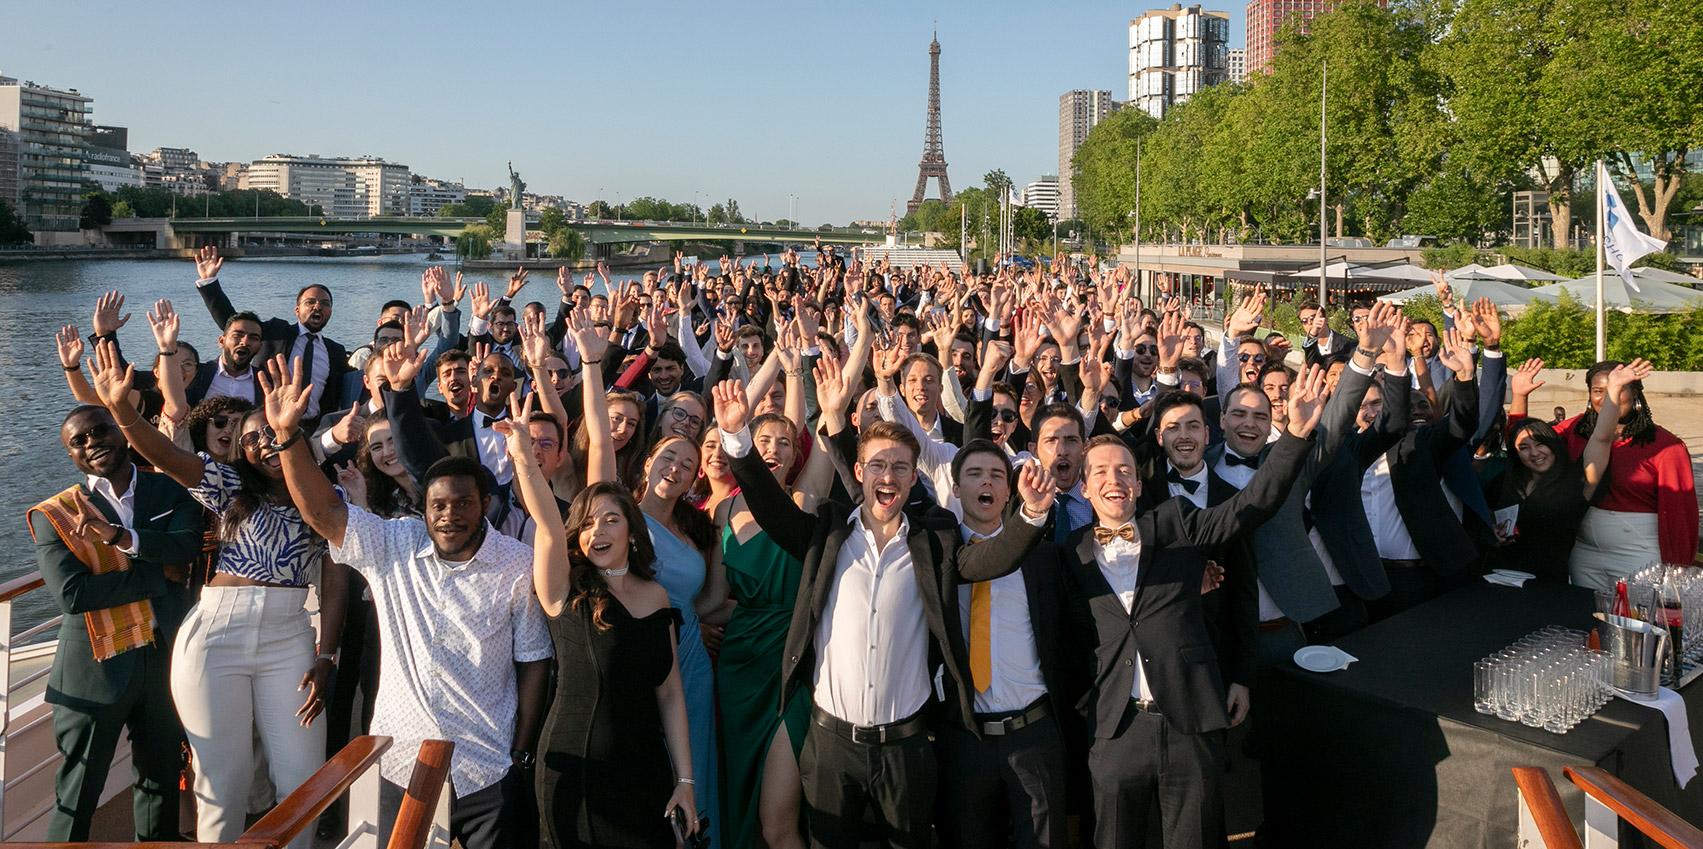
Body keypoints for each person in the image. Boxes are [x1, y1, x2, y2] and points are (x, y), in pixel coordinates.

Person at [714, 379, 1053, 849]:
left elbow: (989, 561)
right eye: (878, 465)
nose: (888, 476)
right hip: (830, 743)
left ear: (915, 477)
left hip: (907, 748)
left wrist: (1031, 514)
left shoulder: (935, 542)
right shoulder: (826, 534)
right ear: (859, 470)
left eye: (900, 467)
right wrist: (736, 440)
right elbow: (771, 510)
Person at [261, 356, 552, 849]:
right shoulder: (394, 544)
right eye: (438, 505)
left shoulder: (517, 565)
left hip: (488, 766)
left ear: (484, 505)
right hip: (400, 759)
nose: (449, 515)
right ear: (424, 508)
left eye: (463, 503)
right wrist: (289, 438)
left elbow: (534, 663)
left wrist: (520, 756)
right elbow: (325, 513)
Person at [86, 342, 344, 849]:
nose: (266, 444)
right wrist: (121, 411)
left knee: (303, 785)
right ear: (238, 452)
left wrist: (327, 652)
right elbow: (165, 455)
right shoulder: (228, 487)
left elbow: (334, 581)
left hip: (290, 637)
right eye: (253, 438)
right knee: (220, 790)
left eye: (275, 433)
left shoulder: (322, 499)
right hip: (215, 636)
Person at [1063, 367, 1330, 849]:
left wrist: (1294, 435)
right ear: (1084, 489)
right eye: (1099, 472)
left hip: (1190, 721)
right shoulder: (1071, 554)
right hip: (1116, 731)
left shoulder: (1174, 522)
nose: (1114, 479)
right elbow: (1060, 636)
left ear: (1140, 484)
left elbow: (1250, 506)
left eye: (1124, 469)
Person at [510, 445, 698, 848]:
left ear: (631, 532)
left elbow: (670, 693)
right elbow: (546, 524)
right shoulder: (566, 590)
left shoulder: (657, 597)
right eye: (589, 523)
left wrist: (685, 781)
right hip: (576, 772)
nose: (599, 532)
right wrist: (524, 458)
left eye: (611, 520)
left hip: (645, 773)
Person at [30, 405, 203, 842]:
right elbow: (74, 594)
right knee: (78, 795)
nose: (93, 443)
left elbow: (185, 549)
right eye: (79, 441)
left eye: (100, 431)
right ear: (70, 456)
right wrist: (156, 575)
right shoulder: (60, 515)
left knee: (161, 779)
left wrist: (124, 543)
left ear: (122, 432)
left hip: (165, 660)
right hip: (94, 672)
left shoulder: (169, 491)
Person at [1509, 357, 1697, 586]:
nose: (1608, 398)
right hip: (1584, 554)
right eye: (1598, 390)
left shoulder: (1666, 447)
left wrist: (1677, 573)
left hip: (1639, 555)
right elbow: (1523, 444)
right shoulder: (1575, 429)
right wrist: (1519, 395)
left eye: (1616, 389)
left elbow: (1680, 517)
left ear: (1636, 392)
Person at [633, 433, 726, 849]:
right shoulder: (624, 519)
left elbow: (707, 599)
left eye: (687, 465)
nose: (675, 468)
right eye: (668, 457)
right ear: (647, 461)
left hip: (691, 657)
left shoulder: (694, 527)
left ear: (694, 479)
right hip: (642, 652)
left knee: (695, 766)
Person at [1486, 359, 1644, 582]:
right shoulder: (1504, 482)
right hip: (1497, 576)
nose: (1534, 452)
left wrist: (1615, 389)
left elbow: (1601, 437)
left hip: (1547, 584)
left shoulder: (1576, 482)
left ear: (1555, 444)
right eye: (1525, 448)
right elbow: (1516, 435)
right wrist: (1492, 533)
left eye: (1541, 443)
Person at [191, 246, 351, 427]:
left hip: (311, 428)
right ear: (297, 311)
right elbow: (234, 324)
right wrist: (209, 282)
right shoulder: (276, 331)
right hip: (266, 422)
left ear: (330, 311)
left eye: (325, 303)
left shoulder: (335, 351)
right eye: (310, 302)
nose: (317, 307)